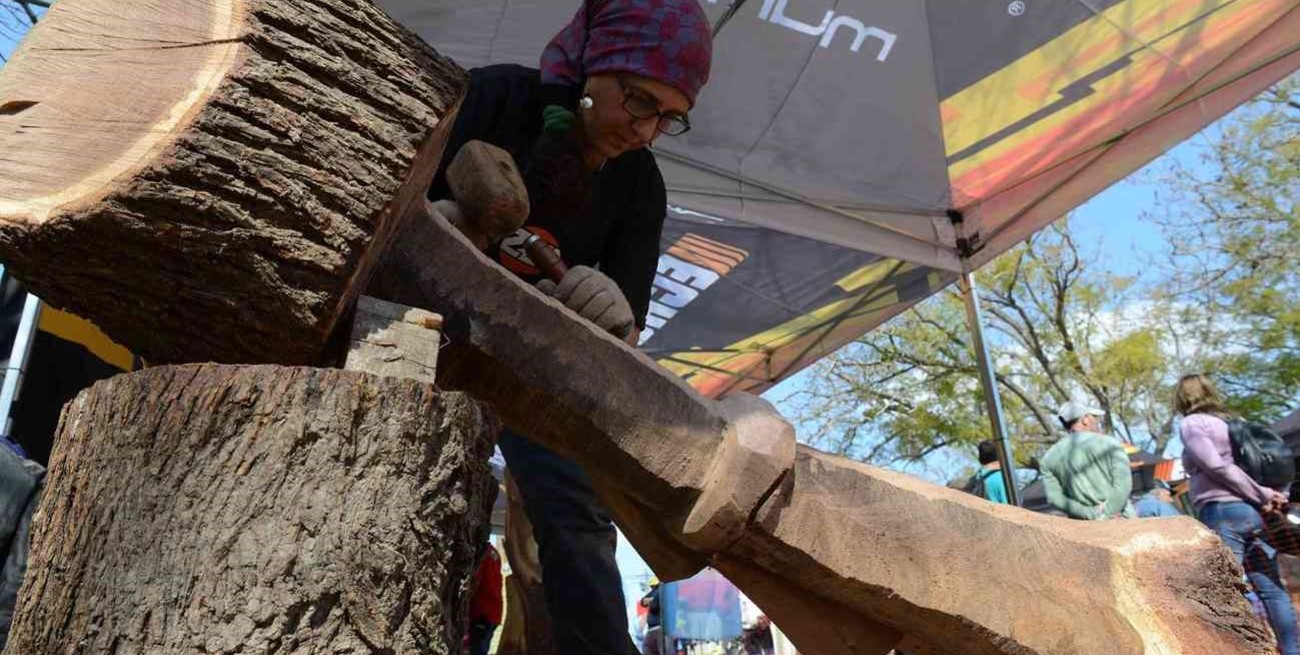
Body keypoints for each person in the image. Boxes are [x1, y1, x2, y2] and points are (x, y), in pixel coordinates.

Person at [425, 2, 714, 653]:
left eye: (669, 117)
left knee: (577, 513)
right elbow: (391, 198)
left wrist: (612, 312)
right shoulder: (496, 96)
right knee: (424, 487)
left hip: (540, 364)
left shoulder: (641, 184)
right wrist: (431, 220)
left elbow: (625, 330)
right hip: (430, 330)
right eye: (638, 101)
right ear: (594, 65)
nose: (645, 131)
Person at [1175, 373, 1298, 655]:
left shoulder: (1193, 424)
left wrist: (1261, 494)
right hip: (1256, 513)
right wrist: (1267, 495)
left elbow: (1216, 467)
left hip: (1222, 511)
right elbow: (1274, 461)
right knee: (1271, 588)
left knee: (1225, 587)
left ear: (1182, 398)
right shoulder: (1233, 422)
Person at [1039, 400, 1135, 520]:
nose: (1097, 421)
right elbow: (1123, 486)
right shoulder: (1110, 444)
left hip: (1083, 528)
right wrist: (1105, 514)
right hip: (1121, 520)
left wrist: (1089, 513)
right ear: (1085, 419)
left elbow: (1054, 498)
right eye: (1093, 417)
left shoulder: (1048, 458)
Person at [467, 543, 504, 655]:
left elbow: (472, 584)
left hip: (480, 613)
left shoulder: (479, 552)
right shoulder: (493, 552)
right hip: (492, 612)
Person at [640, 578, 663, 655]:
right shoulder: (654, 592)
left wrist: (649, 600)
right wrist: (650, 599)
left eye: (653, 586)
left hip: (660, 628)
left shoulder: (662, 591)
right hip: (652, 628)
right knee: (647, 649)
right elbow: (643, 602)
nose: (652, 589)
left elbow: (653, 604)